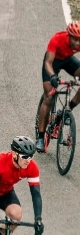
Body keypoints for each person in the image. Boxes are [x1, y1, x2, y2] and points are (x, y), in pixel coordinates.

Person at [36, 21, 80, 150]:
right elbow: (48, 63)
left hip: (67, 60)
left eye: (79, 40)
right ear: (69, 36)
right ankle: (40, 137)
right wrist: (53, 76)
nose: (77, 43)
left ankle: (66, 111)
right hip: (52, 62)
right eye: (74, 39)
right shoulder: (57, 39)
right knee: (48, 97)